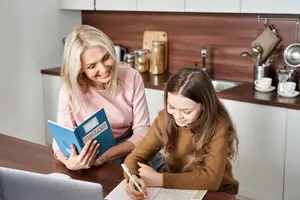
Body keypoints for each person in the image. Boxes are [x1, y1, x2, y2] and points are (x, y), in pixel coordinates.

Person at [124, 67, 239, 199]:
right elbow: (134, 157)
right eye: (172, 107)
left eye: (187, 111)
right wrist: (132, 177)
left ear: (205, 105)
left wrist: (160, 180)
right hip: (180, 189)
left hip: (217, 192)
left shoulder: (218, 126)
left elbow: (211, 179)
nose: (178, 117)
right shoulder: (164, 119)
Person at [52, 25, 150, 170]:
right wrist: (69, 162)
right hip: (90, 156)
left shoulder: (131, 76)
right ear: (80, 70)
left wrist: (105, 156)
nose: (104, 69)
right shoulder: (70, 89)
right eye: (92, 66)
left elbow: (143, 132)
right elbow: (60, 140)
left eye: (106, 58)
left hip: (129, 149)